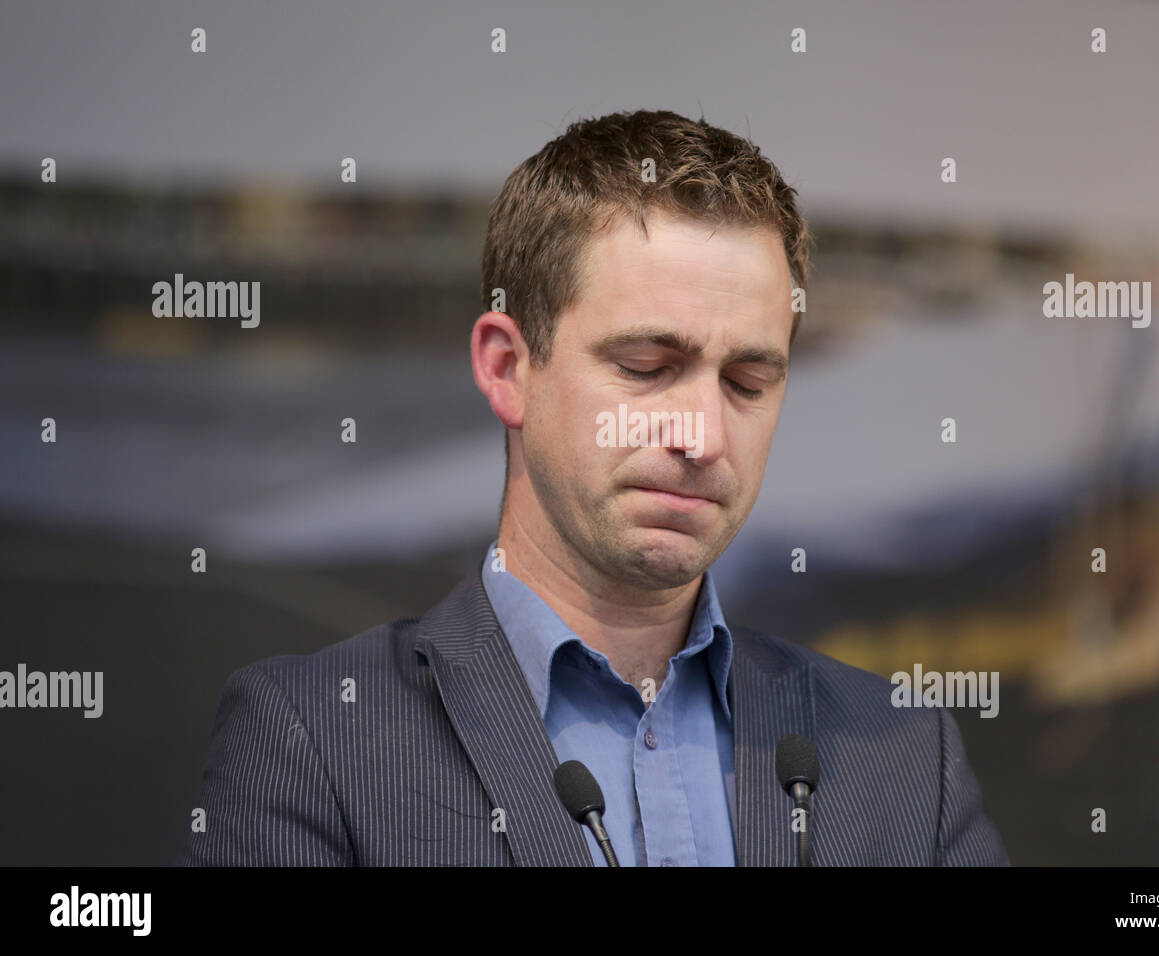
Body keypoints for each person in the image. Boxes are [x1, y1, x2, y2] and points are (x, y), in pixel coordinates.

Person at [179, 109, 1009, 866]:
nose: (704, 436)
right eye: (647, 369)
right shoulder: (317, 739)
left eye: (748, 383)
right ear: (508, 369)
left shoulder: (902, 756)